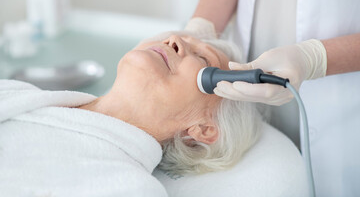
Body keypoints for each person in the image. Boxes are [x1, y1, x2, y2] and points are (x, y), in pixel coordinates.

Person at [181, 0, 360, 196]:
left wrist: (314, 58)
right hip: (251, 101)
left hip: (343, 115)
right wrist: (202, 27)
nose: (172, 44)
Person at [0, 33, 261, 196]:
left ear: (203, 129)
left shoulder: (128, 188)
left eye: (203, 60)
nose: (175, 41)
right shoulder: (13, 93)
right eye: (182, 37)